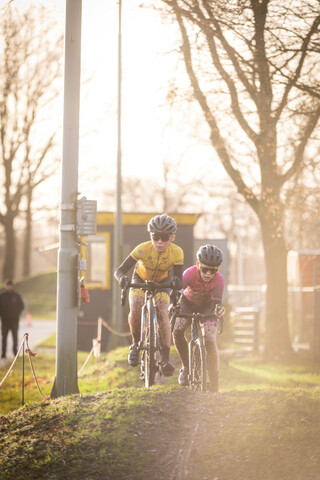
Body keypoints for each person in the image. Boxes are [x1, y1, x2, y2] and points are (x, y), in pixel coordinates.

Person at [114, 214, 184, 377]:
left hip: (162, 282)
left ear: (172, 237)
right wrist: (122, 279)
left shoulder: (177, 252)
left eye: (164, 237)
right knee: (136, 305)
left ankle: (165, 358)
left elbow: (179, 278)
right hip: (140, 279)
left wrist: (176, 282)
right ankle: (135, 345)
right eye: (155, 237)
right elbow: (119, 271)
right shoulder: (141, 249)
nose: (159, 241)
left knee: (162, 311)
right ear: (150, 236)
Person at [172, 244, 225, 393]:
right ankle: (186, 367)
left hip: (207, 306)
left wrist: (217, 312)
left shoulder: (219, 281)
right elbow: (177, 294)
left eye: (213, 270)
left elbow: (216, 302)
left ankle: (214, 382)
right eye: (204, 269)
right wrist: (173, 306)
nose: (208, 273)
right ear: (198, 265)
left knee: (209, 339)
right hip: (187, 303)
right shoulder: (189, 274)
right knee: (177, 330)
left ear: (218, 269)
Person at [0, 279, 25, 358]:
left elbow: (21, 306)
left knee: (15, 337)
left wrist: (16, 314)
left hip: (14, 321)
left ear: (12, 286)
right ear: (5, 286)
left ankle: (15, 352)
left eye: (10, 285)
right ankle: (3, 353)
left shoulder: (17, 296)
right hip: (5, 321)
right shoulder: (2, 296)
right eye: (7, 286)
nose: (9, 287)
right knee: (4, 337)